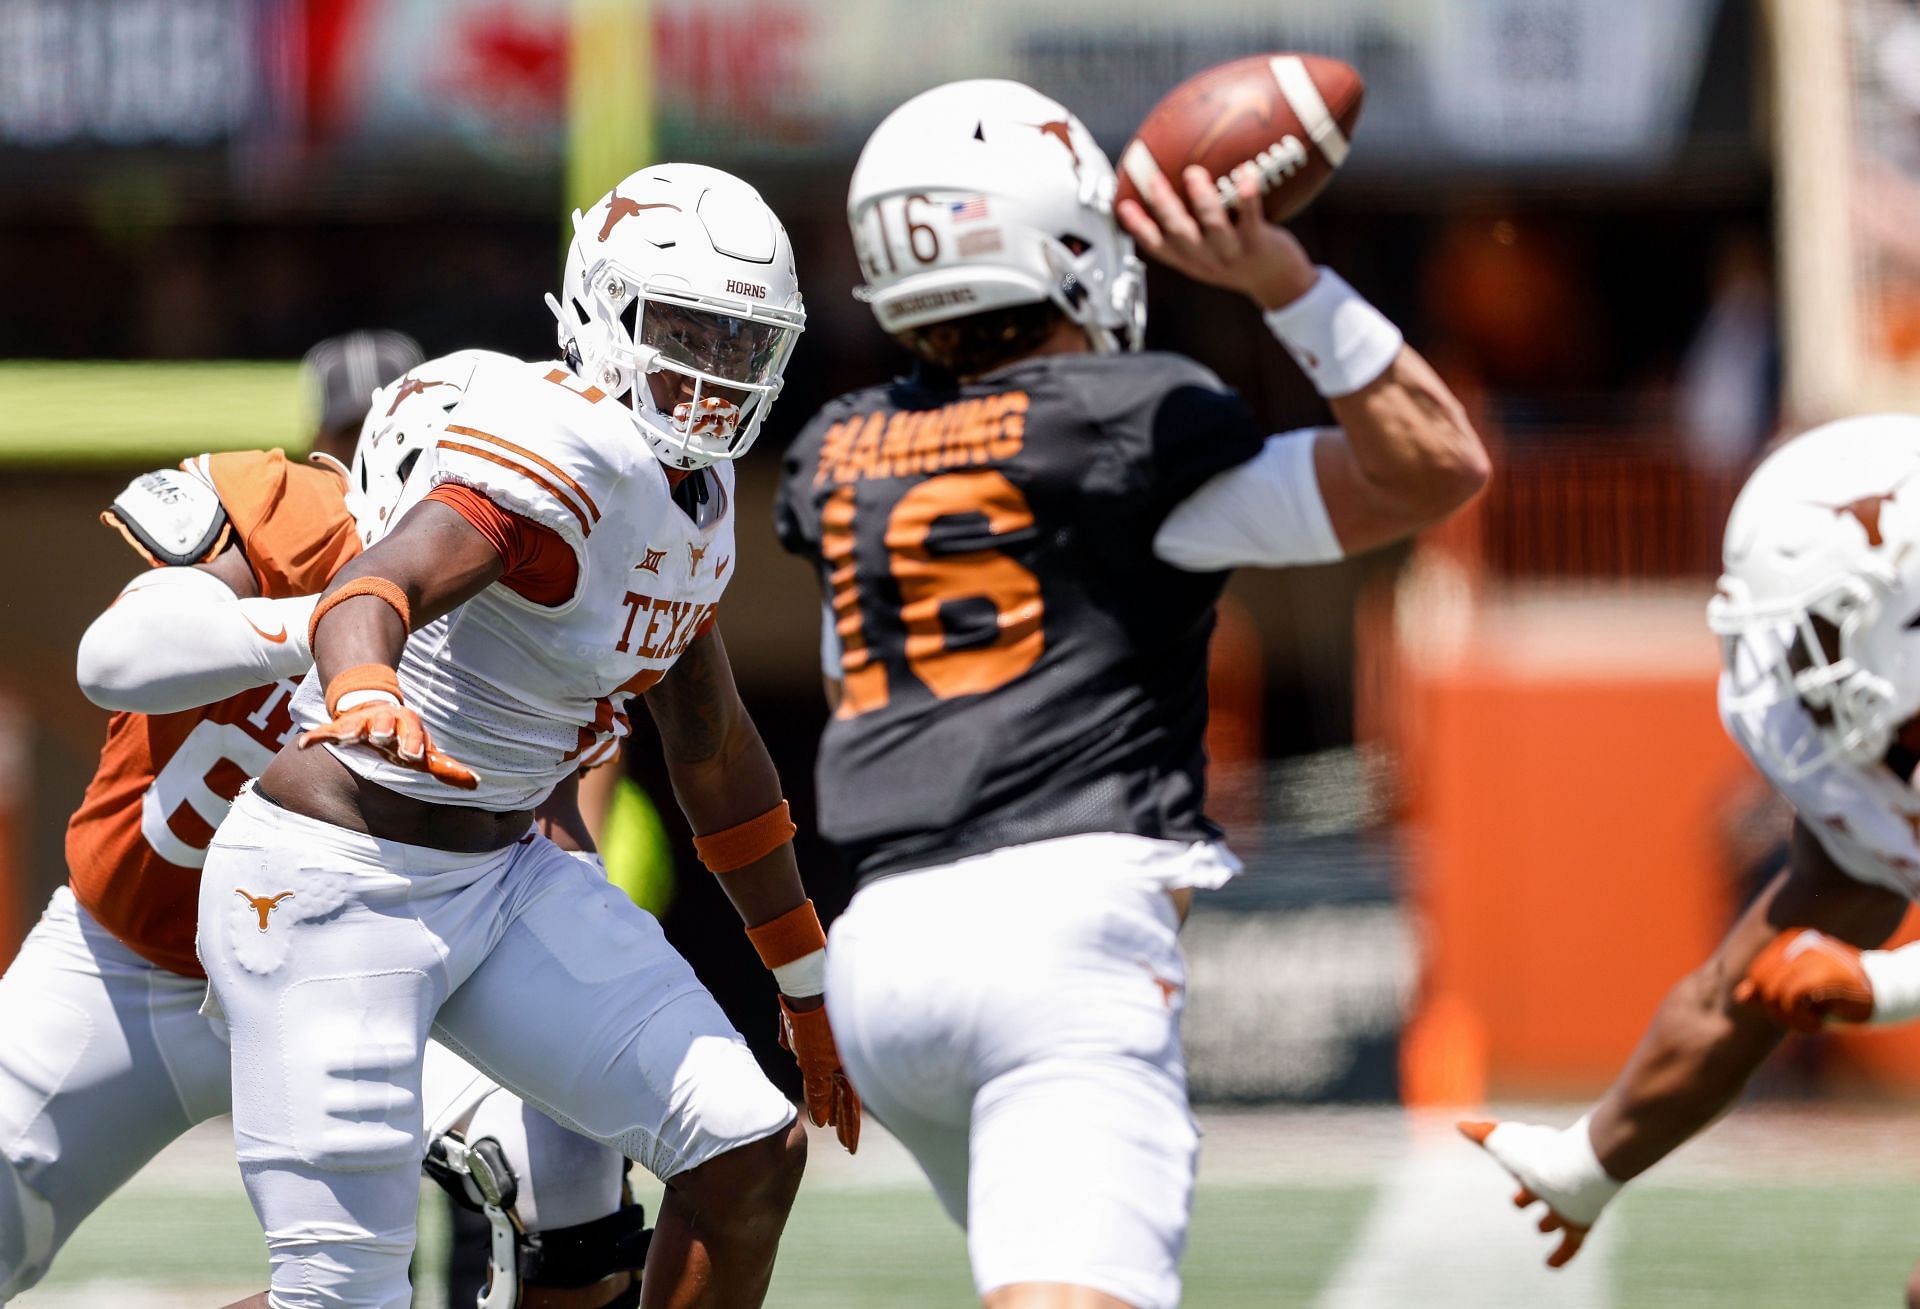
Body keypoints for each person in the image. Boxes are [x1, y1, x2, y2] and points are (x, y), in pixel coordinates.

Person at [771, 80, 1488, 1309]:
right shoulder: (1133, 420)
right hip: (1058, 931)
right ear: (1061, 244)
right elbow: (1434, 464)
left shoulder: (840, 450)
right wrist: (1284, 280)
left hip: (882, 952)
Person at [196, 161, 857, 1309]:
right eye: (687, 331)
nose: (714, 376)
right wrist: (363, 689)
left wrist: (803, 980)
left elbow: (713, 749)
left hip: (501, 876)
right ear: (603, 314)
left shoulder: (691, 497)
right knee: (343, 1294)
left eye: (744, 343)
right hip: (339, 875)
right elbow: (374, 587)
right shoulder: (565, 445)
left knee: (750, 1150)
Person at [0, 350, 653, 1308]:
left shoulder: (525, 586)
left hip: (377, 957)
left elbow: (547, 825)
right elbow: (116, 654)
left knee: (578, 1209)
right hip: (125, 964)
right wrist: (344, 625)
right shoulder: (284, 512)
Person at [1464, 416, 1920, 1300]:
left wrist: (1880, 987)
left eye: (1815, 635)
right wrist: (1591, 1158)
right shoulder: (1882, 749)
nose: (1790, 667)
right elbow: (1735, 997)